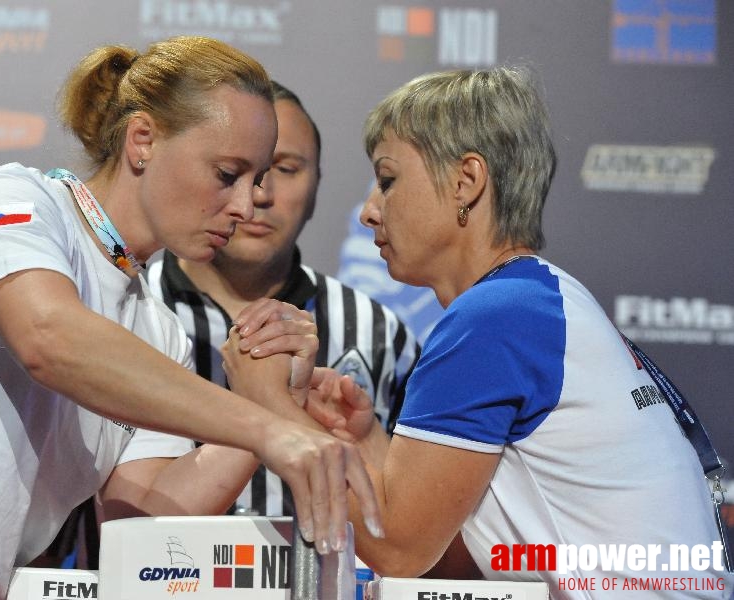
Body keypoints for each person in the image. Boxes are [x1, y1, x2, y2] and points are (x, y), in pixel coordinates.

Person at [0, 36, 381, 599]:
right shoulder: (16, 202)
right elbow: (49, 338)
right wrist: (269, 432)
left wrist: (274, 403)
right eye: (226, 174)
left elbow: (140, 520)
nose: (245, 206)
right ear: (142, 141)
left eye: (258, 179)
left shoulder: (158, 330)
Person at [224, 66, 733, 598]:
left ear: (467, 182)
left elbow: (399, 550)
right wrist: (365, 443)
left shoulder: (496, 316)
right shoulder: (538, 297)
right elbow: (450, 548)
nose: (371, 211)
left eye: (389, 179)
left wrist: (268, 409)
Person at [119, 80, 419, 518]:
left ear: (319, 187)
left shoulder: (380, 332)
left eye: (287, 168)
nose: (259, 194)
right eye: (232, 172)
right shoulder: (130, 311)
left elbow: (409, 513)